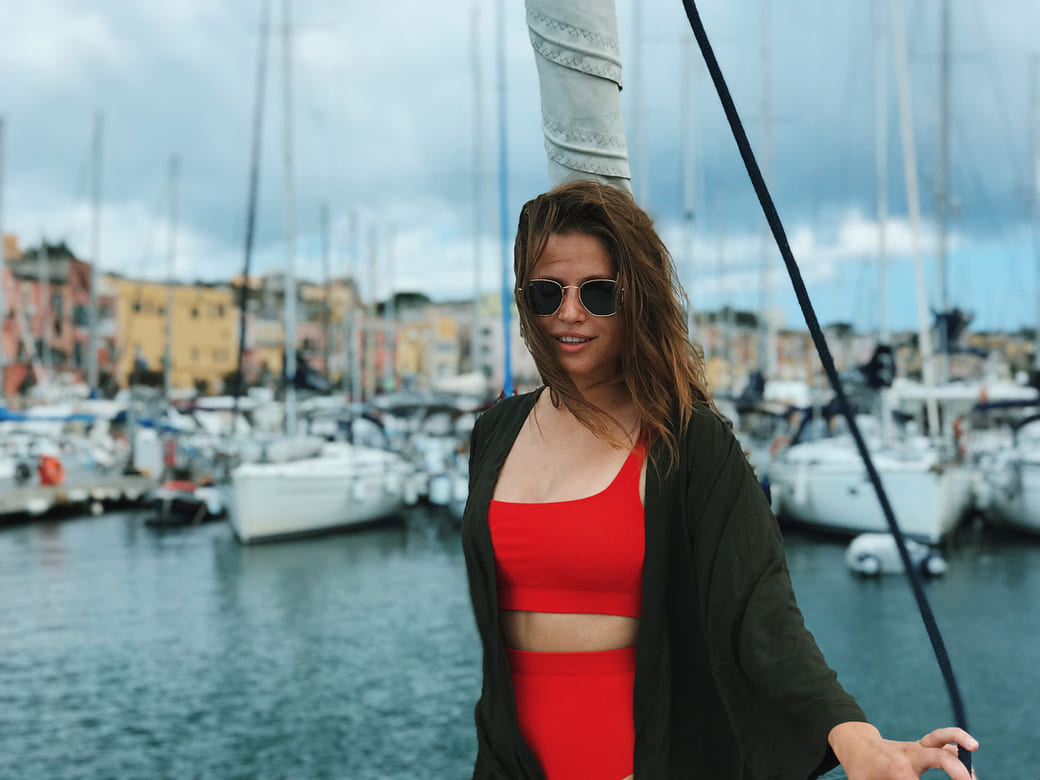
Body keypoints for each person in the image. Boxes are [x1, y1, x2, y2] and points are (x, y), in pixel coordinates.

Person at [460, 180, 978, 779]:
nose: (570, 313)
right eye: (548, 292)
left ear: (636, 300)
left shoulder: (688, 440)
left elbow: (760, 612)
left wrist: (856, 739)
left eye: (599, 293)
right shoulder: (495, 432)